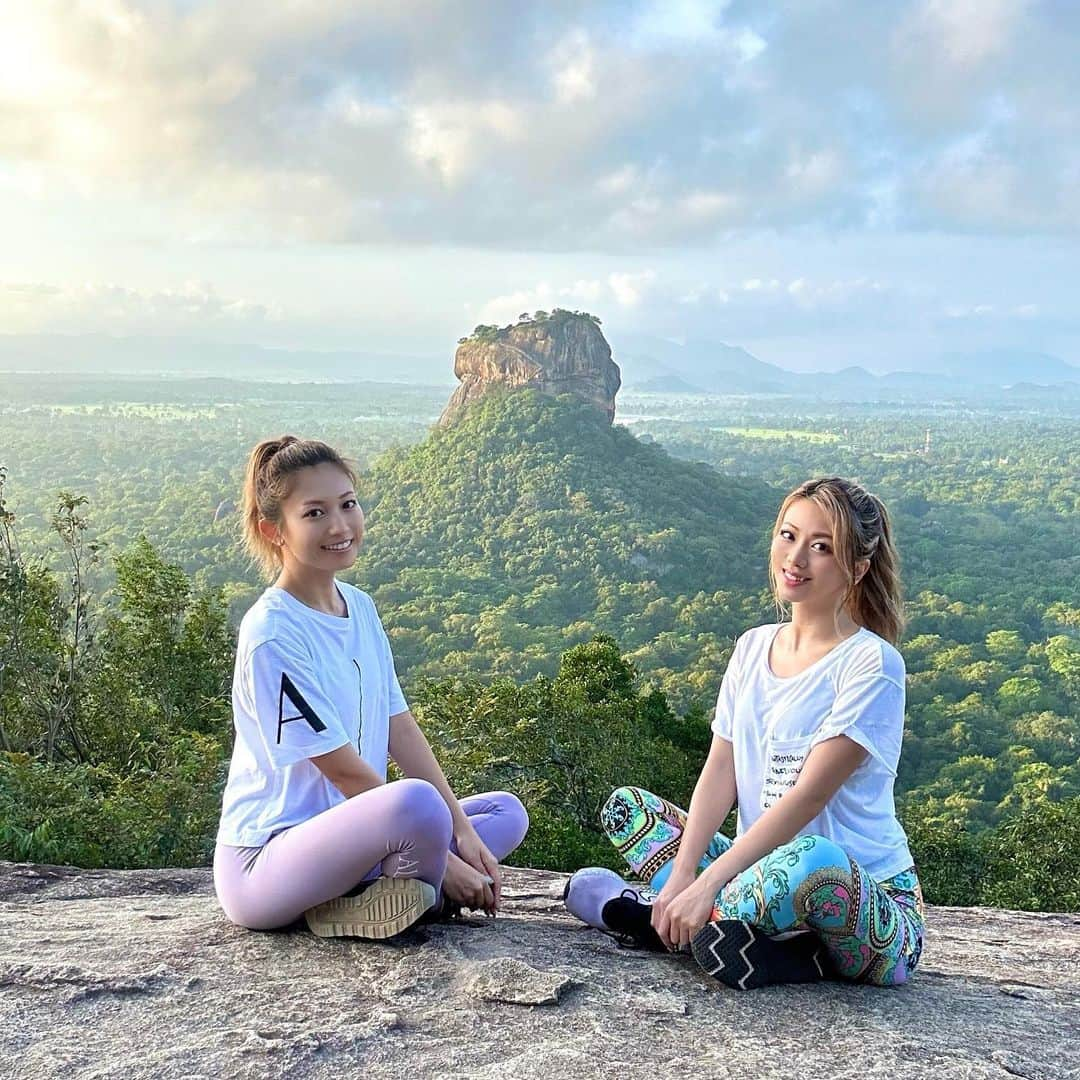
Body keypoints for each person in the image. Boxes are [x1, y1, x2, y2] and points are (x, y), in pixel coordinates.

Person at [565, 477, 924, 989]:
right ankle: (726, 931)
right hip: (757, 875)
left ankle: (651, 921)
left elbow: (808, 795)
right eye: (788, 535)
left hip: (868, 908)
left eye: (821, 547)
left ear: (858, 568)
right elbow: (720, 769)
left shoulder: (872, 664)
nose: (795, 558)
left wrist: (708, 883)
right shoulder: (753, 648)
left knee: (815, 861)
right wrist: (687, 871)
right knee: (628, 809)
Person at [214, 436, 529, 939]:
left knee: (503, 814)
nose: (339, 526)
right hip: (267, 862)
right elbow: (340, 768)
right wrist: (447, 865)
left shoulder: (358, 608)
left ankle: (377, 894)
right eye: (314, 513)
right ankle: (410, 889)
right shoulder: (273, 632)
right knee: (418, 806)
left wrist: (463, 836)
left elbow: (398, 725)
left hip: (355, 837)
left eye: (348, 504)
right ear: (273, 530)